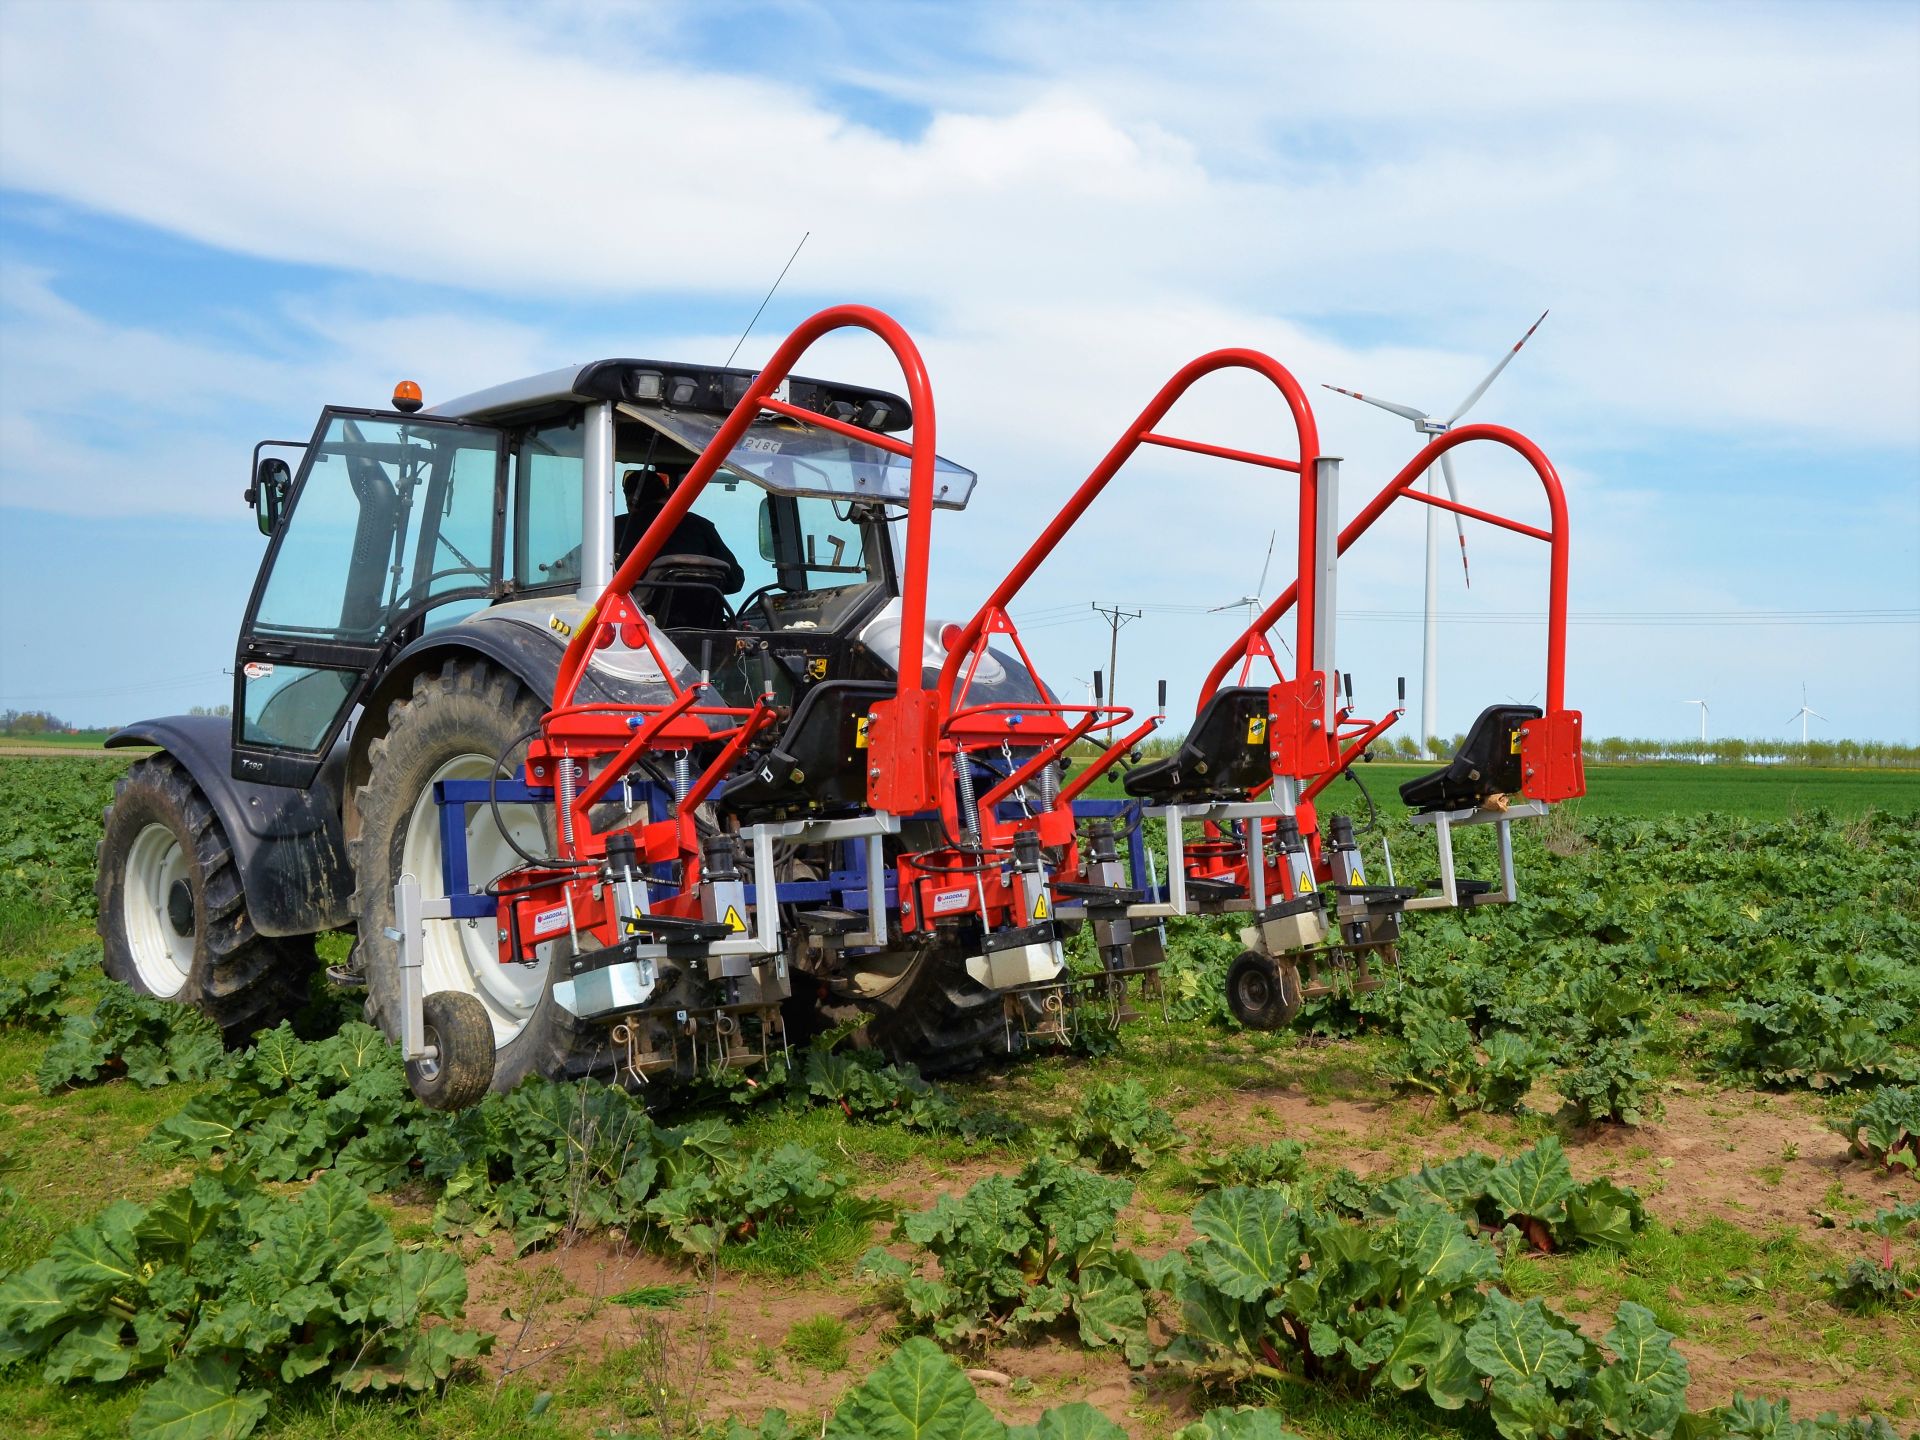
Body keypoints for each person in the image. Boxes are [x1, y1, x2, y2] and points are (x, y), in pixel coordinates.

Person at [615, 466, 745, 593]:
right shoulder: (701, 526)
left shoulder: (615, 528)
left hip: (634, 613)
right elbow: (735, 580)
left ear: (632, 502)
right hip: (701, 614)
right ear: (670, 495)